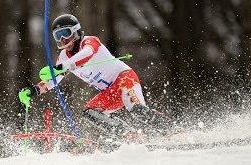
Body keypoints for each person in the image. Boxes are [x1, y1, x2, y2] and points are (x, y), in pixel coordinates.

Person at [18, 14, 170, 143]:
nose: (63, 40)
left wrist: (62, 67)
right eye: (58, 36)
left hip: (124, 79)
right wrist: (35, 90)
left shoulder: (89, 41)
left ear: (76, 32)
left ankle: (171, 131)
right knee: (89, 112)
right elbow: (54, 80)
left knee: (136, 109)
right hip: (110, 92)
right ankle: (130, 137)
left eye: (66, 34)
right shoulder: (64, 57)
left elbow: (87, 54)